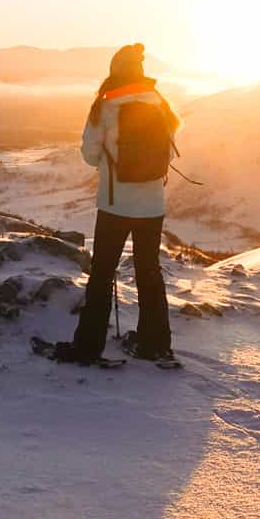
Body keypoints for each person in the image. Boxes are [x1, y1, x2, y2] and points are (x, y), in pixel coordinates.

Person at [52, 43, 182, 365]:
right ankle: (156, 344)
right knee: (149, 272)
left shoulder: (106, 107)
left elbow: (89, 154)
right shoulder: (159, 103)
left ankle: (88, 347)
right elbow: (172, 141)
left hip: (115, 205)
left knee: (102, 274)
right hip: (152, 206)